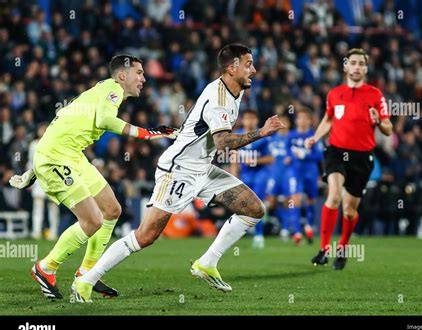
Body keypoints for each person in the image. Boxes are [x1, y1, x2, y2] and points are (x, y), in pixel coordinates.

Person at [72, 44, 285, 302]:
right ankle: (86, 280)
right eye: (249, 63)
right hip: (179, 170)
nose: (254, 69)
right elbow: (222, 143)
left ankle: (207, 263)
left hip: (203, 169)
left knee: (254, 209)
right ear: (232, 68)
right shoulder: (218, 97)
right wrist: (261, 133)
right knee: (146, 235)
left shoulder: (235, 91)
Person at [9, 55, 178, 299]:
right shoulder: (112, 90)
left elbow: (66, 124)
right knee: (92, 221)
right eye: (139, 73)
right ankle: (46, 268)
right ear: (122, 76)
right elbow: (105, 120)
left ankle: (87, 274)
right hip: (56, 157)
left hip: (71, 155)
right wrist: (148, 133)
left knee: (112, 210)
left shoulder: (102, 90)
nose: (143, 78)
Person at [305, 48, 392, 270]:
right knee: (334, 196)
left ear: (366, 68)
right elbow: (328, 119)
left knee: (349, 210)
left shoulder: (375, 95)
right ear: (346, 66)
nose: (357, 67)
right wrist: (315, 137)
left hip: (362, 157)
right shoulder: (334, 94)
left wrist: (379, 122)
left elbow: (389, 129)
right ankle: (324, 250)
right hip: (336, 151)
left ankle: (342, 248)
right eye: (353, 62)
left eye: (361, 63)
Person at [231, 109, 273, 249]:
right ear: (243, 120)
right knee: (242, 206)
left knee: (257, 205)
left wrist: (255, 160)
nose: (250, 121)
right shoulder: (238, 136)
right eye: (247, 118)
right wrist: (233, 178)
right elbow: (234, 159)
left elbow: (271, 158)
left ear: (256, 120)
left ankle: (259, 235)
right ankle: (240, 234)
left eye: (252, 118)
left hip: (260, 176)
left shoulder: (263, 136)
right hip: (245, 176)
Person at [286, 108, 324, 245]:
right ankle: (296, 232)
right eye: (300, 118)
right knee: (295, 199)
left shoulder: (314, 136)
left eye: (305, 118)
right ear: (296, 120)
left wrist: (304, 155)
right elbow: (287, 151)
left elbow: (320, 155)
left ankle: (308, 225)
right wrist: (289, 157)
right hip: (295, 172)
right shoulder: (291, 135)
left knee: (311, 200)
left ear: (309, 120)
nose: (302, 121)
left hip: (310, 173)